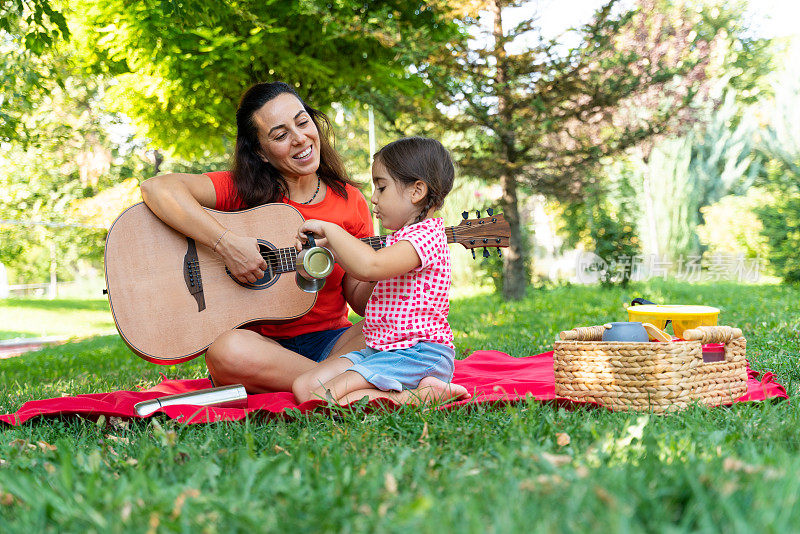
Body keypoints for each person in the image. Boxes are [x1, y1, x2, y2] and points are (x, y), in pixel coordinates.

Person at [140, 81, 377, 393]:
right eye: (280, 135)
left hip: (333, 343)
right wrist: (225, 244)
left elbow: (359, 300)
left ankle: (315, 382)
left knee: (389, 326)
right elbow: (157, 188)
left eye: (303, 122)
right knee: (225, 352)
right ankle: (339, 381)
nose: (300, 139)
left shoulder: (350, 199)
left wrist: (380, 267)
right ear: (261, 153)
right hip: (259, 349)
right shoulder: (239, 189)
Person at [292, 137, 471, 406]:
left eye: (381, 187)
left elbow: (369, 266)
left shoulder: (425, 237)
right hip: (383, 351)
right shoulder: (399, 239)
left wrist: (332, 229)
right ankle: (421, 390)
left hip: (418, 353)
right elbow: (367, 270)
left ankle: (420, 396)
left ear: (416, 191)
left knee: (325, 397)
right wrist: (331, 246)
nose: (373, 199)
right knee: (304, 387)